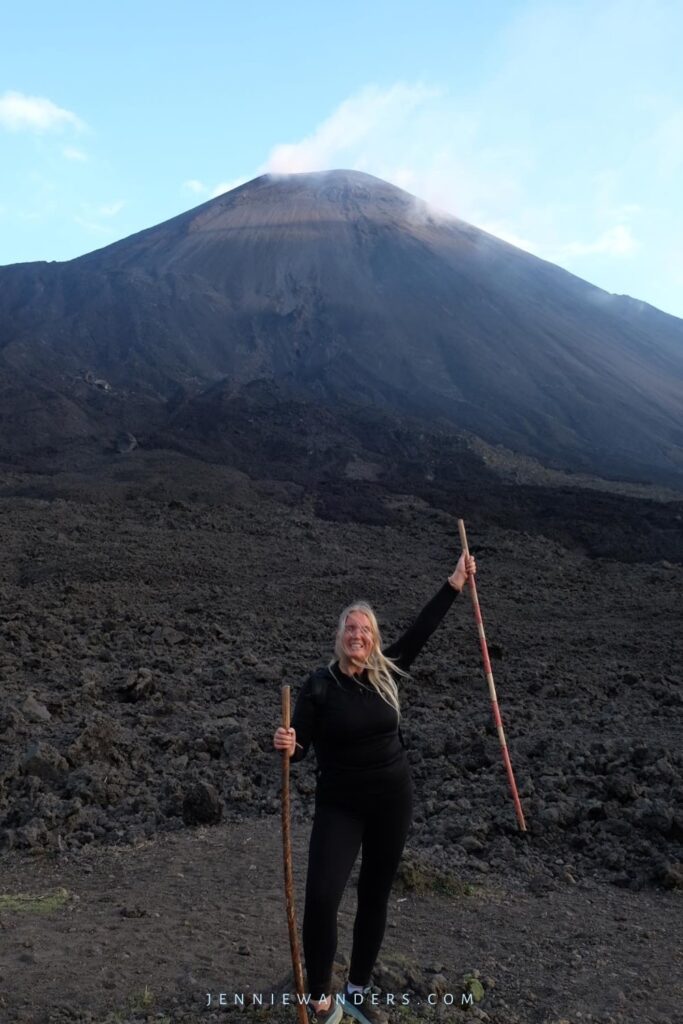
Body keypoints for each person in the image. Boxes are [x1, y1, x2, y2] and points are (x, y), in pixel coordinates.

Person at [273, 552, 477, 1024]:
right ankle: (320, 995)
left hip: (391, 799)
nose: (357, 635)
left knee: (375, 894)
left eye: (365, 630)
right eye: (350, 628)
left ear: (375, 639)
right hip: (340, 804)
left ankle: (357, 989)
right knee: (323, 895)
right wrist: (288, 742)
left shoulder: (388, 671)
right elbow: (299, 747)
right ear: (339, 637)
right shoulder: (319, 686)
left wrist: (454, 582)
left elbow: (423, 628)